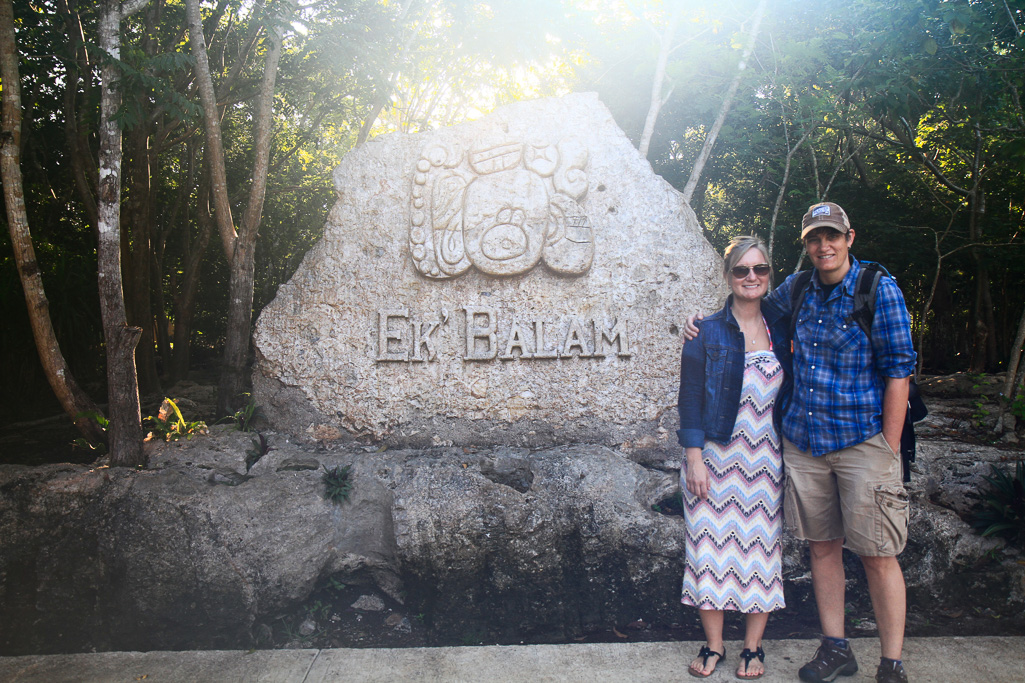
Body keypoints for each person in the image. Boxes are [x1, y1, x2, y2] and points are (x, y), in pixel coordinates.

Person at [683, 202, 916, 683]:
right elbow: (744, 314)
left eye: (832, 236)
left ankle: (891, 662)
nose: (823, 245)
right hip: (805, 447)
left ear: (850, 237)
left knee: (877, 553)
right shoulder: (797, 290)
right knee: (823, 548)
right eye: (814, 238)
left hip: (861, 442)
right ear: (806, 244)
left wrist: (889, 451)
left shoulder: (877, 290)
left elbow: (899, 372)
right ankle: (836, 648)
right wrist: (697, 324)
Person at [677, 235, 791, 679]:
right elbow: (688, 399)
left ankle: (753, 648)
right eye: (742, 270)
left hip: (766, 461)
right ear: (728, 276)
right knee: (708, 549)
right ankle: (714, 646)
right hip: (715, 458)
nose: (751, 277)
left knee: (761, 553)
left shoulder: (782, 329)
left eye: (759, 270)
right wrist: (694, 458)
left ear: (769, 276)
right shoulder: (705, 331)